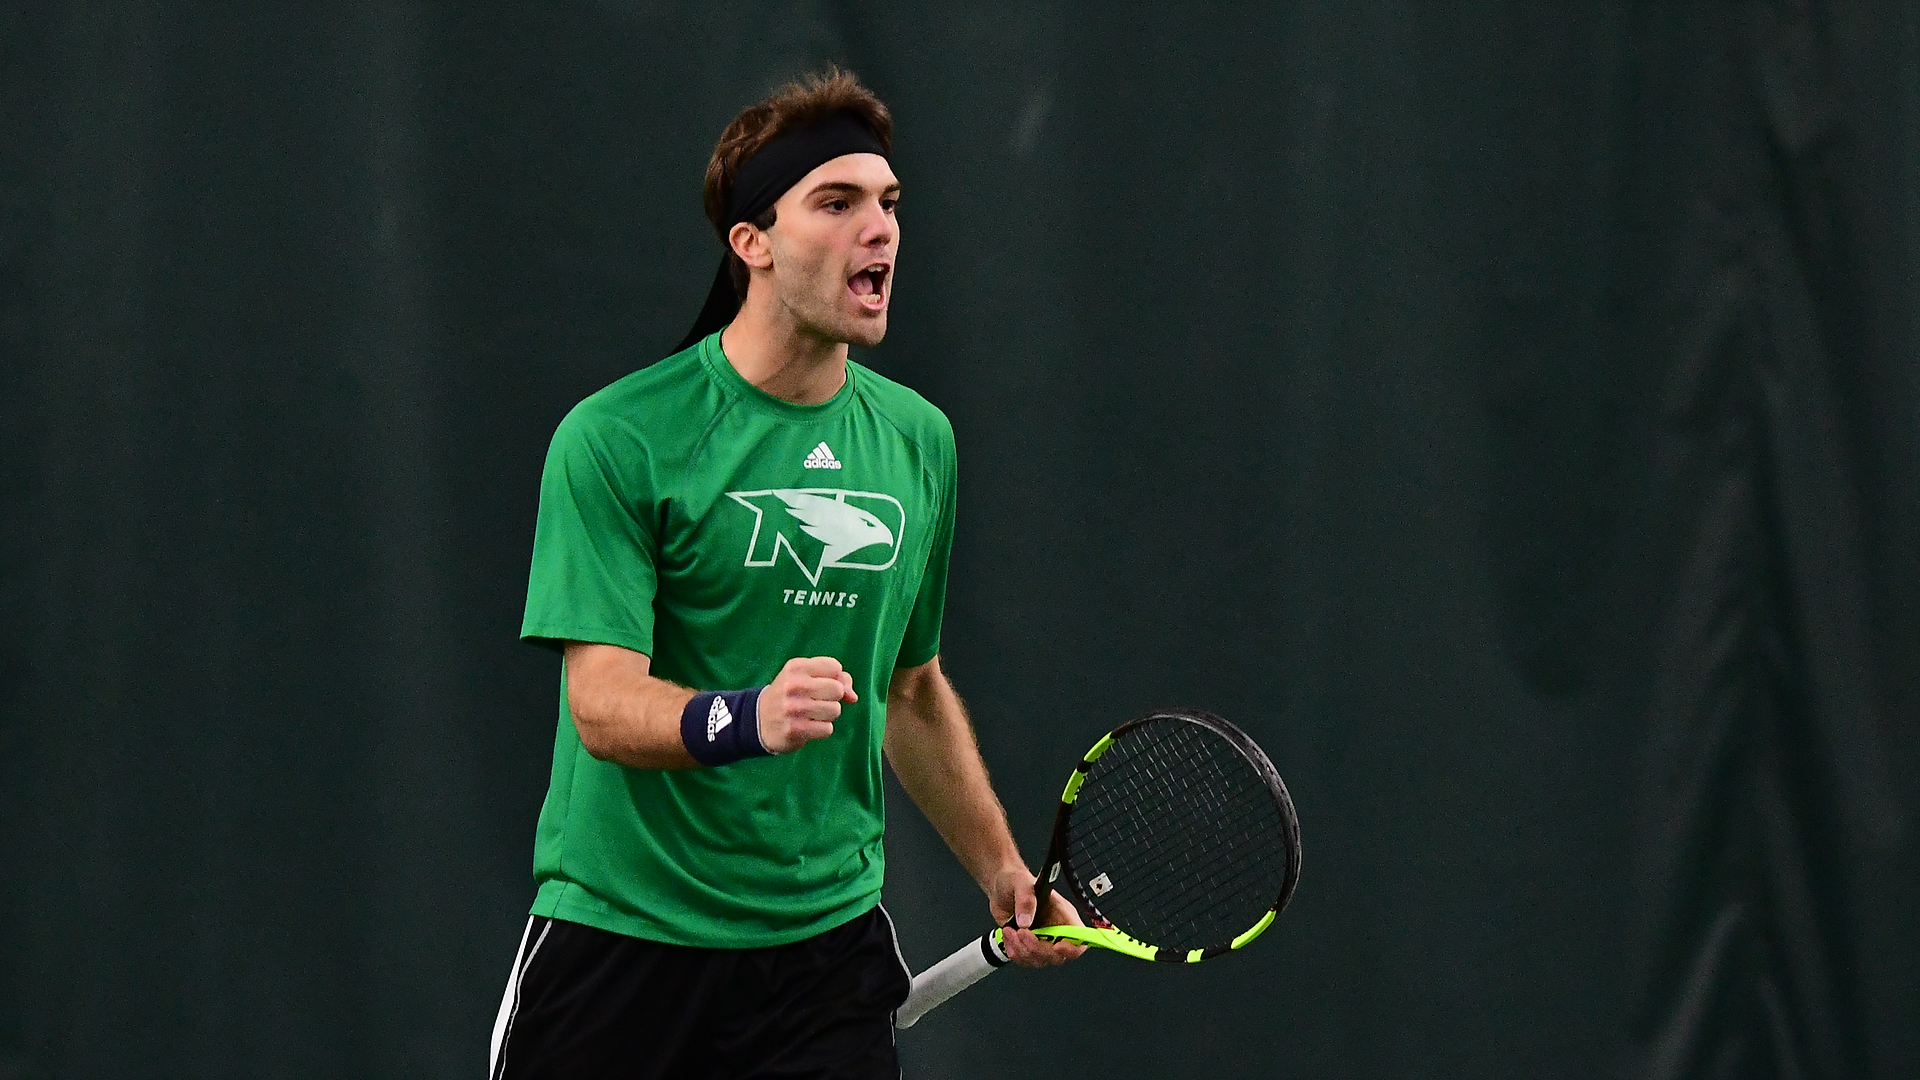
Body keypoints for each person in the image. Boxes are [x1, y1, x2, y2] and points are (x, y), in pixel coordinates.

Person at [488, 67, 1083, 1080]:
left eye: (889, 202)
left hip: (821, 958)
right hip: (623, 946)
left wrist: (1002, 870)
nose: (880, 229)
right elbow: (601, 705)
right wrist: (745, 718)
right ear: (752, 243)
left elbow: (910, 689)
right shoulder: (617, 439)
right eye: (837, 203)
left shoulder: (918, 441)